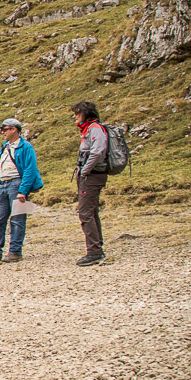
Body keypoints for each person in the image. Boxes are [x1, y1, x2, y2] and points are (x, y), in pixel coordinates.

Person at [0, 118, 44, 265]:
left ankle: (15, 252)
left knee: (17, 219)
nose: (2, 132)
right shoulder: (5, 147)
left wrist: (23, 190)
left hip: (16, 184)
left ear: (14, 129)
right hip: (3, 186)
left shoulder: (26, 147)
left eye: (4, 129)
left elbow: (30, 169)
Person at [73, 101, 108, 266]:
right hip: (90, 175)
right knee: (91, 211)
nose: (75, 116)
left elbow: (97, 152)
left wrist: (85, 171)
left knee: (85, 213)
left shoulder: (94, 129)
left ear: (85, 113)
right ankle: (97, 246)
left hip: (92, 176)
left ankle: (94, 251)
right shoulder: (89, 129)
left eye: (77, 113)